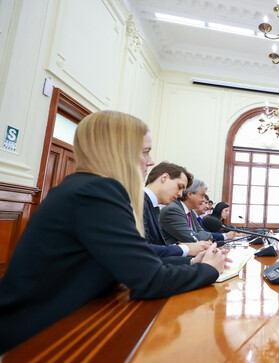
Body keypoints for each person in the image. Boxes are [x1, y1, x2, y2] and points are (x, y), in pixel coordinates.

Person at [0, 110, 230, 354]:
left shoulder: (87, 187)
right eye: (145, 152)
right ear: (119, 150)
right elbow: (148, 281)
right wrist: (208, 270)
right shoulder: (97, 192)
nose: (150, 161)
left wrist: (191, 262)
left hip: (63, 320)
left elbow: (135, 260)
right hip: (35, 337)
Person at [144, 161, 210, 257]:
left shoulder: (151, 205)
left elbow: (154, 246)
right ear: (164, 178)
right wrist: (185, 249)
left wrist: (182, 247)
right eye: (179, 187)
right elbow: (138, 250)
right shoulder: (136, 202)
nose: (180, 194)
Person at [160, 179, 214, 243]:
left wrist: (206, 236)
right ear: (189, 195)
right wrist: (209, 235)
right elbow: (192, 239)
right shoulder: (172, 210)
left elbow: (201, 232)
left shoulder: (191, 212)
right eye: (202, 196)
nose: (203, 200)